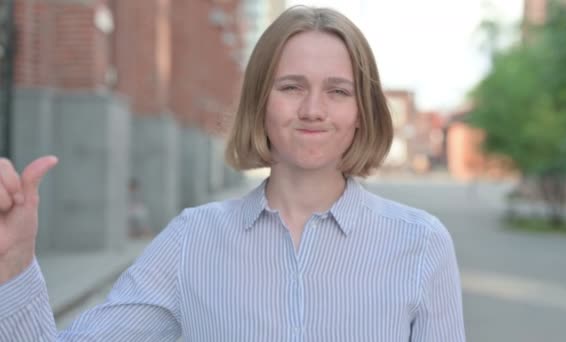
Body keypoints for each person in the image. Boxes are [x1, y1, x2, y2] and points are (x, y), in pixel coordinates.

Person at [0, 6, 465, 341]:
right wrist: (14, 264)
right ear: (260, 102)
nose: (313, 109)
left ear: (362, 111)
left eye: (338, 91)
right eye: (291, 87)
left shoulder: (420, 244)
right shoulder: (191, 241)